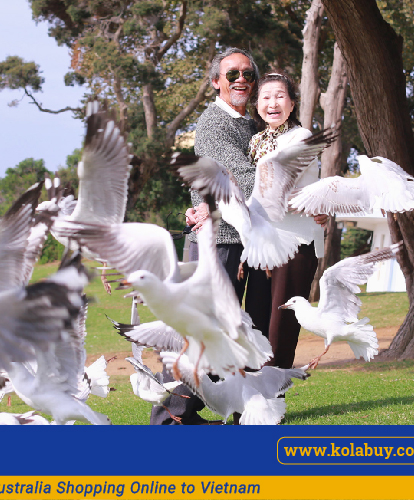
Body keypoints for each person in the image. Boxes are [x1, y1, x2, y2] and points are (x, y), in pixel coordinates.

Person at [151, 47, 268, 425]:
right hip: (218, 242)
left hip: (244, 239)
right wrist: (284, 190)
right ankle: (169, 420)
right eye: (232, 74)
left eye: (248, 74)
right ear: (216, 82)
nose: (241, 80)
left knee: (239, 331)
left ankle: (230, 410)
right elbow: (243, 179)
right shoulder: (214, 124)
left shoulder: (251, 125)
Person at [247, 71, 327, 369]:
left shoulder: (300, 137)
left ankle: (273, 390)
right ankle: (252, 390)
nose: (273, 103)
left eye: (280, 96)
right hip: (262, 241)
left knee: (281, 324)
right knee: (256, 318)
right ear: (257, 105)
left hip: (295, 241)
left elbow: (280, 188)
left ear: (292, 104)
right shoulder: (256, 142)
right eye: (266, 97)